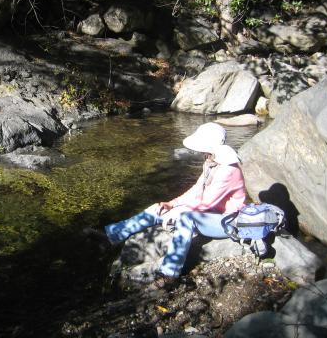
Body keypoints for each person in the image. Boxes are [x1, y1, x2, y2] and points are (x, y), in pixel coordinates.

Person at [102, 123, 247, 288]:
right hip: (209, 212)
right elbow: (197, 190)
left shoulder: (228, 169)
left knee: (186, 219)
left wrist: (178, 212)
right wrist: (171, 204)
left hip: (225, 221)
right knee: (158, 208)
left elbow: (205, 203)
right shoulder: (210, 160)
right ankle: (112, 235)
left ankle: (170, 275)